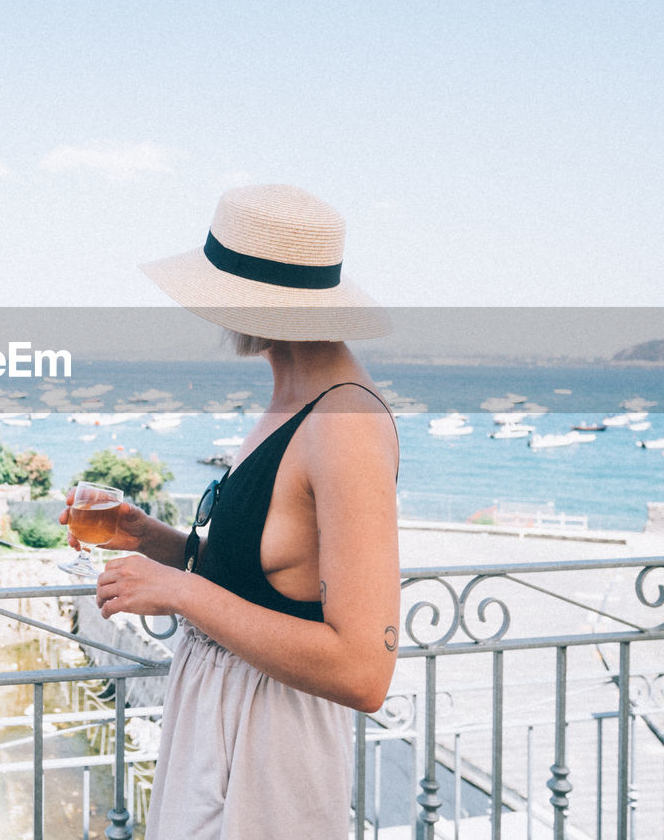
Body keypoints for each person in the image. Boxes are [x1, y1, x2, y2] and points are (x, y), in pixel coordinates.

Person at [61, 184, 400, 839]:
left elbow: (364, 671)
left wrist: (182, 592)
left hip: (268, 746)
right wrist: (148, 535)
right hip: (221, 723)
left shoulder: (345, 422)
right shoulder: (293, 391)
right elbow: (263, 575)